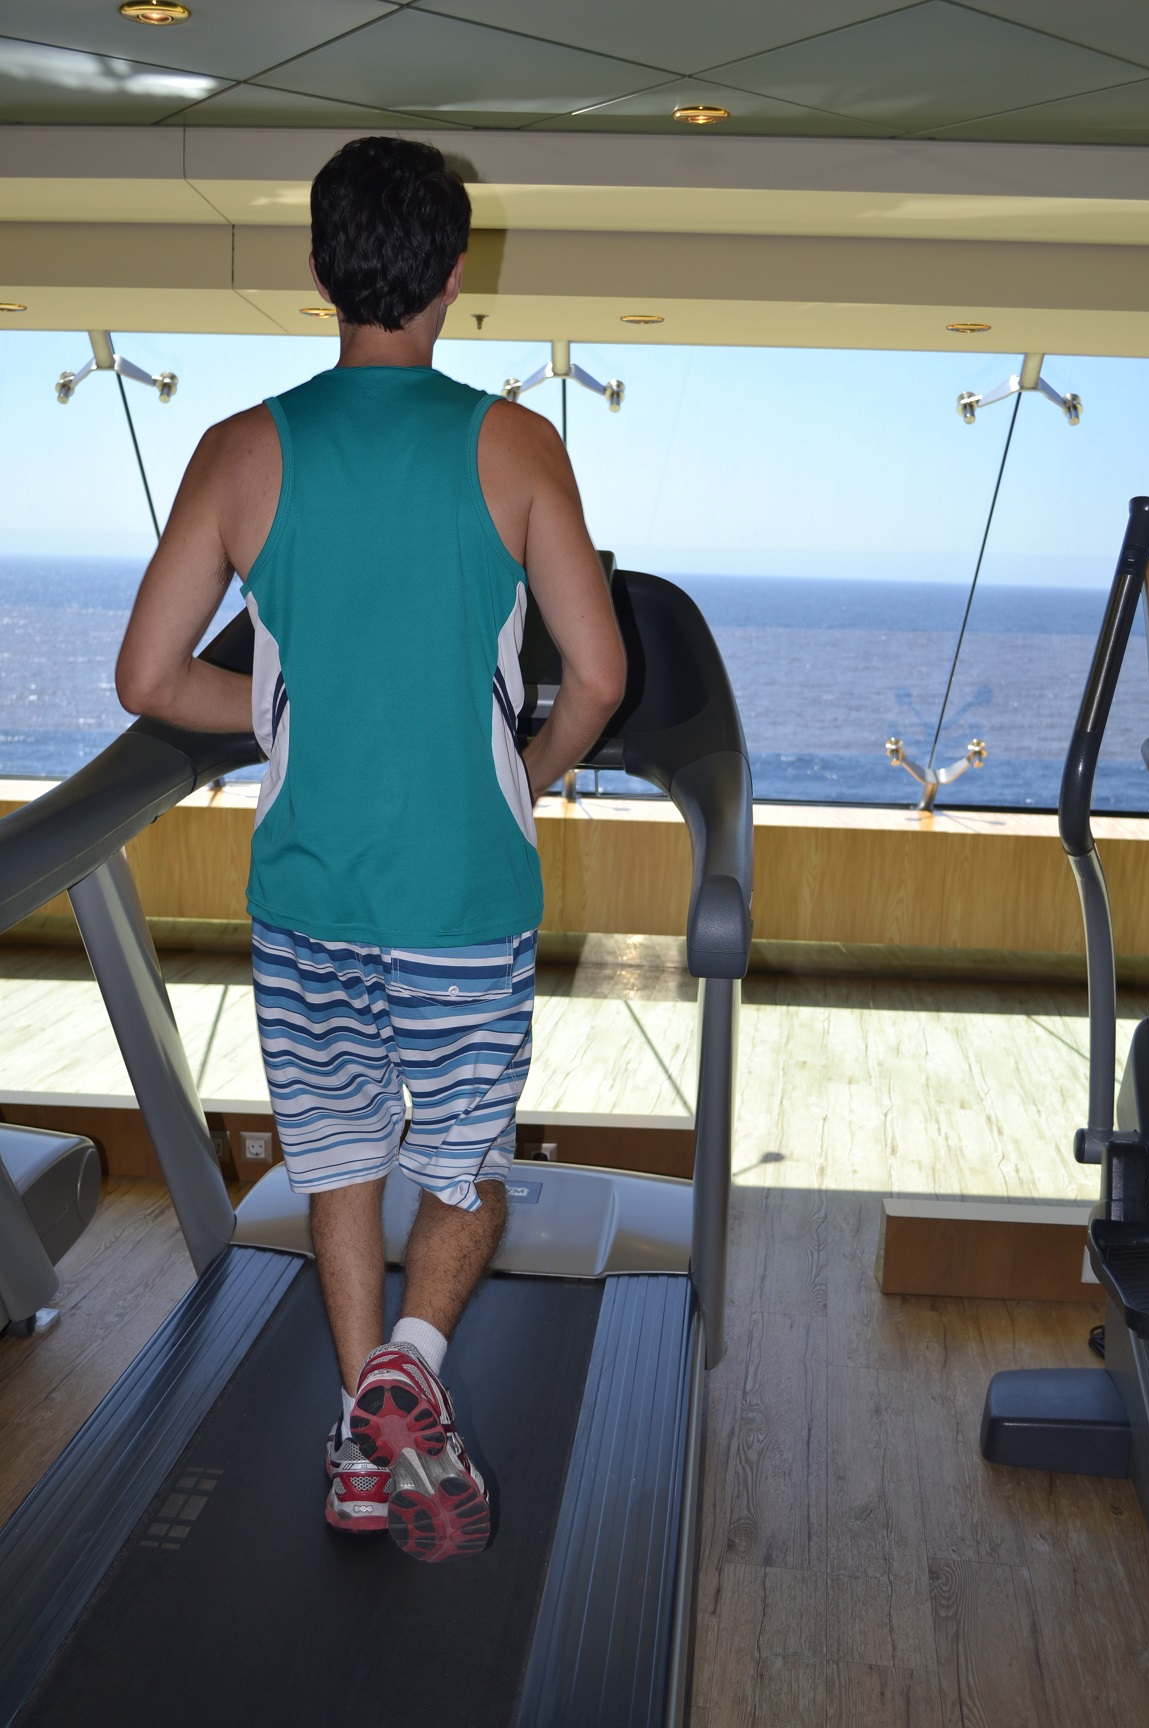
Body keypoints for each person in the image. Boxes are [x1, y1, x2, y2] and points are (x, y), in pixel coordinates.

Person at [115, 135, 627, 1562]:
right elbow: (598, 677)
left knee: (338, 1163)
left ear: (320, 269)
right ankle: (411, 1361)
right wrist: (526, 774)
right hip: (463, 895)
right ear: (455, 274)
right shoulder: (516, 445)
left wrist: (279, 710)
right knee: (462, 1176)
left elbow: (148, 677)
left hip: (306, 899)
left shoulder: (241, 450)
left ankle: (359, 1452)